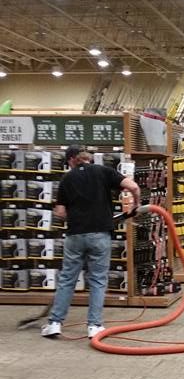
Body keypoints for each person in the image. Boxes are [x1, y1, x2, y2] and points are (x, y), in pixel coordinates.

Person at [41, 146, 140, 340]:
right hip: (100, 234)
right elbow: (134, 187)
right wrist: (135, 204)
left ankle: (54, 323)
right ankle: (94, 326)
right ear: (89, 158)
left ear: (72, 160)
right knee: (98, 280)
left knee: (67, 279)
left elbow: (60, 212)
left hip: (75, 235)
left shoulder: (67, 178)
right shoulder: (103, 171)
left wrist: (72, 213)